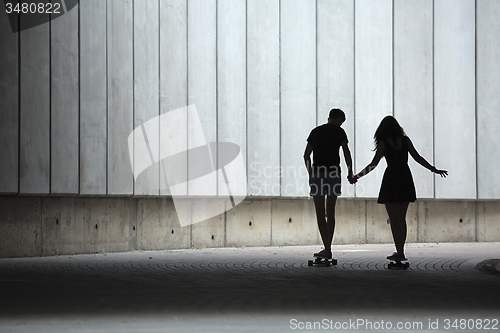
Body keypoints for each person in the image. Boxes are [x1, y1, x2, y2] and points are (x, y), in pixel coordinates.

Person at [352, 115, 447, 261]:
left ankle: (399, 252)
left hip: (391, 180)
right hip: (405, 178)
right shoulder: (405, 141)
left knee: (394, 219)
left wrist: (357, 176)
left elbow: (373, 164)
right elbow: (418, 158)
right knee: (401, 219)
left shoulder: (384, 144)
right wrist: (434, 170)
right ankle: (401, 251)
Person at [303, 109, 355, 259]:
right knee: (330, 211)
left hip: (318, 173)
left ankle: (326, 248)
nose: (341, 124)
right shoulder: (340, 132)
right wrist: (350, 172)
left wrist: (310, 174)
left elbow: (306, 155)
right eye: (341, 121)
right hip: (333, 173)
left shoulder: (315, 131)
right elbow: (346, 153)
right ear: (338, 119)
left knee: (320, 212)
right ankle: (328, 247)